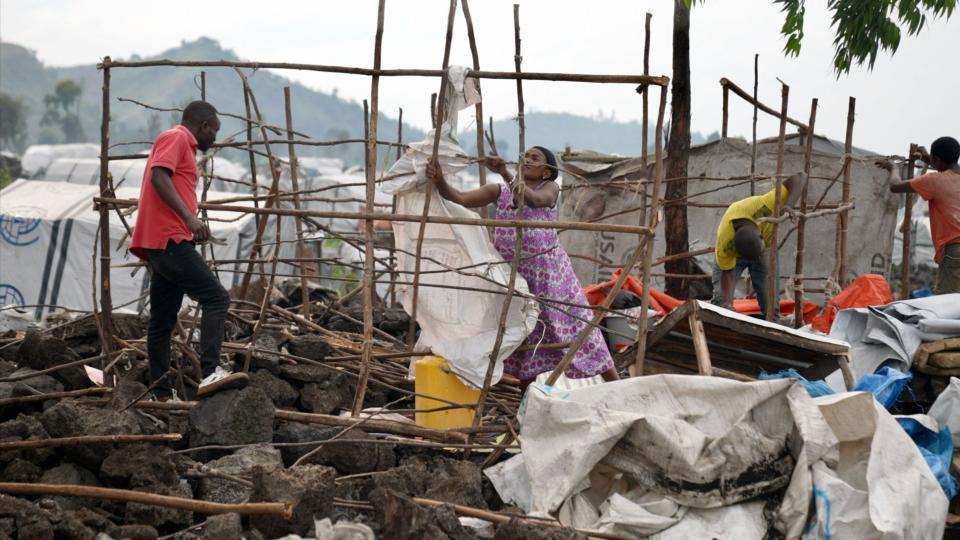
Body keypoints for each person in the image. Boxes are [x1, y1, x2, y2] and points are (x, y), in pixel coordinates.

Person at [425, 146, 619, 384]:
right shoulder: (500, 191)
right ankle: (525, 407)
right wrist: (440, 180)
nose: (527, 159)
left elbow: (535, 201)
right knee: (524, 333)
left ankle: (616, 385)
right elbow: (460, 198)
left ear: (546, 172)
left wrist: (506, 173)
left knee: (577, 326)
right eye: (525, 156)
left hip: (550, 276)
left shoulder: (550, 188)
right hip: (515, 276)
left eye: (534, 158)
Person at [130, 100, 247, 400]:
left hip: (163, 241)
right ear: (204, 125)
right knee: (216, 297)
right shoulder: (178, 137)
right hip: (169, 239)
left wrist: (189, 223)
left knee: (162, 321)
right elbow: (159, 176)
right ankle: (210, 372)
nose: (215, 139)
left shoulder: (182, 145)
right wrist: (189, 218)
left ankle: (161, 393)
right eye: (215, 131)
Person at [712, 172, 807, 320]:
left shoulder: (764, 207)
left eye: (758, 255)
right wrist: (727, 304)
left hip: (767, 247)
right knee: (720, 304)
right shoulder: (726, 246)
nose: (757, 258)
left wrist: (788, 205)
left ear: (760, 235)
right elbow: (728, 272)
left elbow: (800, 177)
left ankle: (772, 335)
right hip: (736, 255)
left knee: (771, 306)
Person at [879, 136, 960, 294]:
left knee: (947, 303)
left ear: (937, 159)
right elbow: (945, 167)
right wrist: (928, 158)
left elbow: (895, 186)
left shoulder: (934, 181)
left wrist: (893, 168)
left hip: (954, 251)